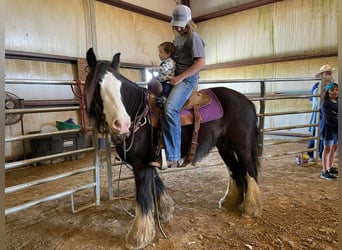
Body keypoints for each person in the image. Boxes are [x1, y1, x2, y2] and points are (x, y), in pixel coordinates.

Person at [151, 5, 206, 168]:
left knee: (170, 108)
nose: (180, 27)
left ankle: (173, 156)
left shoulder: (193, 37)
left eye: (182, 24)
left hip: (188, 79)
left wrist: (180, 78)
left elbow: (201, 62)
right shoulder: (177, 39)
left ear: (189, 21)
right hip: (175, 77)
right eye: (177, 25)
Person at [307, 64, 335, 159]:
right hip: (319, 112)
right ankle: (311, 152)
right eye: (327, 73)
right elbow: (313, 100)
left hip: (327, 111)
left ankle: (321, 154)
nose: (329, 75)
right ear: (322, 74)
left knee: (324, 132)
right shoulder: (317, 86)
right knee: (316, 132)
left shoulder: (332, 85)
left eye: (330, 73)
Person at [319, 82, 338, 180]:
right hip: (328, 129)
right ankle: (324, 171)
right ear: (327, 92)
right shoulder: (325, 104)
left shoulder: (338, 102)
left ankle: (330, 167)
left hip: (337, 129)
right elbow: (329, 119)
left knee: (335, 148)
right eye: (332, 90)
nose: (335, 92)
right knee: (327, 149)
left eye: (336, 90)